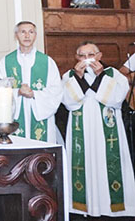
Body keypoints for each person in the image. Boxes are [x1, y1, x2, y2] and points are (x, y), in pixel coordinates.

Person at [61, 42, 135, 217]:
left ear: (99, 56)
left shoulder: (113, 74)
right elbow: (69, 102)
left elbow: (116, 99)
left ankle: (112, 206)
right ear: (76, 58)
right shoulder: (69, 76)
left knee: (108, 163)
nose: (87, 60)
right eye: (82, 56)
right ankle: (83, 206)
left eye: (91, 55)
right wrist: (78, 77)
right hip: (82, 131)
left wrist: (100, 75)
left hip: (107, 132)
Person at [0, 21, 63, 143]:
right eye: (23, 32)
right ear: (16, 35)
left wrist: (34, 94)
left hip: (40, 112)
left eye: (31, 32)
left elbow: (56, 90)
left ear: (35, 35)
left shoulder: (47, 62)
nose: (27, 36)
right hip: (15, 116)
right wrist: (17, 92)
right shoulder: (6, 62)